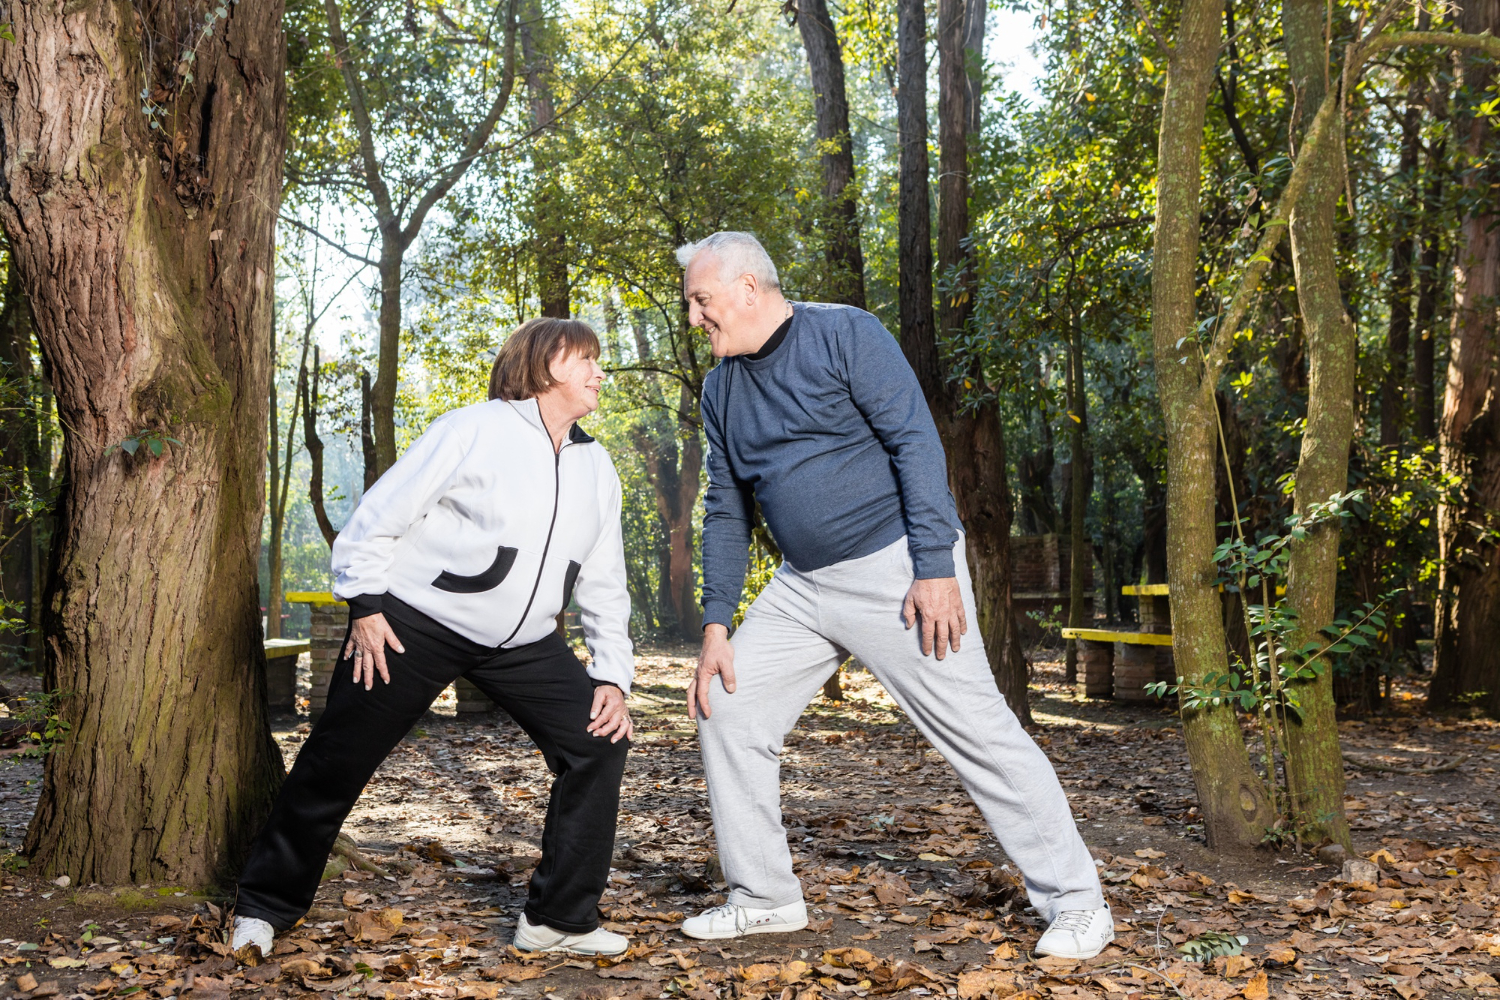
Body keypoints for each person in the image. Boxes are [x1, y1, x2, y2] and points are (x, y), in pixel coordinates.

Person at [675, 232, 1113, 959]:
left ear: (748, 287)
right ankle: (764, 897)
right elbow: (726, 508)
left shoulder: (846, 333)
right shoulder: (721, 389)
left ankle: (1078, 903)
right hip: (800, 587)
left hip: (895, 571)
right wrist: (717, 624)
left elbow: (915, 441)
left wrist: (935, 565)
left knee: (979, 731)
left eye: (701, 299)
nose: (694, 318)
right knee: (726, 704)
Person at [231, 318, 635, 958]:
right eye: (587, 359)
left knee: (597, 743)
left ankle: (558, 918)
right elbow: (380, 514)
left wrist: (612, 672)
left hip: (525, 643)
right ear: (548, 363)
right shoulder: (473, 429)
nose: (599, 373)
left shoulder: (597, 464)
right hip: (414, 626)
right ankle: (264, 906)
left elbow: (606, 579)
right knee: (337, 760)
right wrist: (365, 605)